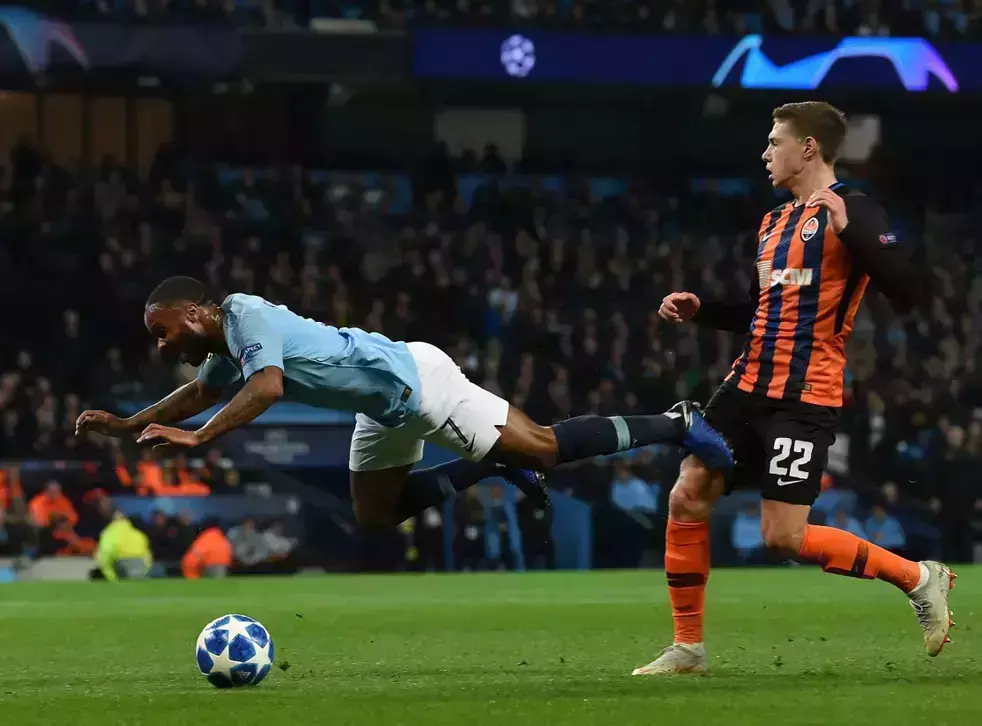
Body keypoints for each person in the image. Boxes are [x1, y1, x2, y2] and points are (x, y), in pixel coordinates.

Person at [635, 101, 955, 676]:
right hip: (746, 384)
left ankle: (917, 577)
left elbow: (911, 291)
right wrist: (703, 311)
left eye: (774, 141)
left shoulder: (853, 209)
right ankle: (688, 648)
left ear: (808, 147)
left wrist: (850, 232)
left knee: (782, 537)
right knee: (687, 494)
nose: (765, 153)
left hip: (805, 395)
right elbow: (762, 311)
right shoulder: (773, 222)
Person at [76, 276, 733, 535]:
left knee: (545, 447)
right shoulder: (225, 346)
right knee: (376, 514)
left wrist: (199, 438)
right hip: (383, 408)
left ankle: (674, 422)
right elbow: (201, 391)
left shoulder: (245, 314)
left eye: (163, 330)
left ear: (195, 312)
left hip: (414, 383)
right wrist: (129, 423)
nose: (162, 345)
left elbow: (267, 387)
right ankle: (488, 465)